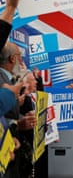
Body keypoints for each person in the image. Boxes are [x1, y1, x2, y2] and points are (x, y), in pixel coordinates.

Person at [0, 42, 36, 178]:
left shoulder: (10, 80)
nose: (21, 61)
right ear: (12, 59)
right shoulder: (2, 80)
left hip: (11, 148)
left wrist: (20, 116)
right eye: (19, 56)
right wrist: (17, 125)